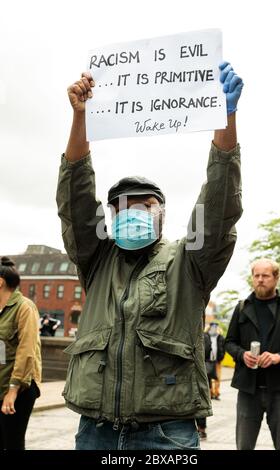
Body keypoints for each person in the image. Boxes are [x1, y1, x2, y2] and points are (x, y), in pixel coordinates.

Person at [56, 61, 243, 450]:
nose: (132, 213)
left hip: (166, 434)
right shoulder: (96, 260)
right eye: (122, 207)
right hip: (95, 431)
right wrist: (81, 118)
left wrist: (226, 119)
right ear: (109, 218)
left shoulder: (190, 261)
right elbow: (74, 198)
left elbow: (219, 206)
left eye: (144, 206)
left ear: (162, 213)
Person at [225, 258, 280, 450]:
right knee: (244, 446)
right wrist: (242, 355)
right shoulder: (242, 307)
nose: (260, 279)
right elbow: (229, 343)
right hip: (248, 390)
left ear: (276, 278)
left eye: (265, 275)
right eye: (256, 275)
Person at [0, 257, 42, 450]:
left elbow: (27, 352)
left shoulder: (25, 307)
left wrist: (12, 391)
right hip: (2, 385)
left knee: (12, 443)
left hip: (19, 389)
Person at [197, 321, 225, 439]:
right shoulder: (206, 335)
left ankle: (201, 429)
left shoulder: (211, 336)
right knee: (203, 396)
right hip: (205, 366)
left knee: (202, 397)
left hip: (205, 365)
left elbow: (220, 347)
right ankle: (201, 429)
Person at [206, 322, 225, 400]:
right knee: (208, 377)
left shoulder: (220, 337)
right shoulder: (206, 336)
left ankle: (216, 393)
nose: (214, 328)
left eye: (215, 327)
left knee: (217, 377)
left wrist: (222, 356)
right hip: (208, 360)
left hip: (217, 360)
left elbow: (224, 348)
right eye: (212, 327)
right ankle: (210, 393)